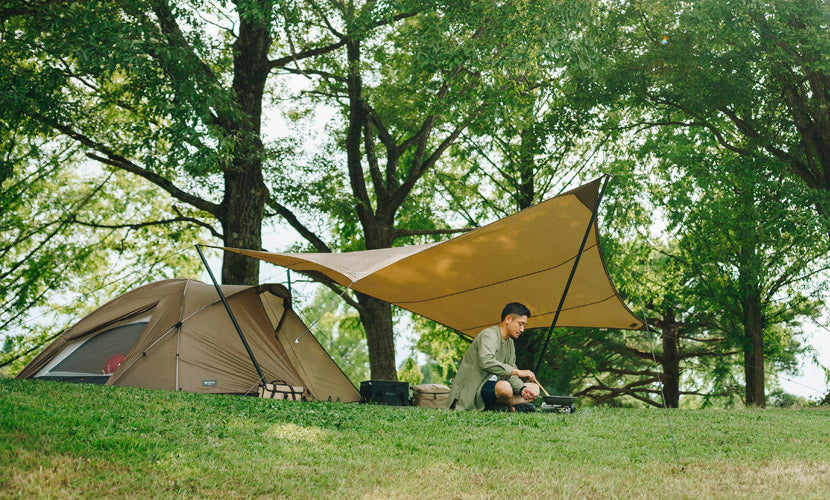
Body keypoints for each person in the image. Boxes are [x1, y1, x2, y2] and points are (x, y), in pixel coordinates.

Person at [447, 302, 541, 412]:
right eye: (520, 324)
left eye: (524, 325)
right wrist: (518, 372)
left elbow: (510, 374)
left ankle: (506, 405)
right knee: (505, 388)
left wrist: (522, 389)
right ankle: (509, 407)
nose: (522, 329)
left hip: (497, 386)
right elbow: (486, 362)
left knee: (534, 389)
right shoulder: (489, 335)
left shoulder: (510, 342)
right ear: (508, 319)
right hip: (477, 386)